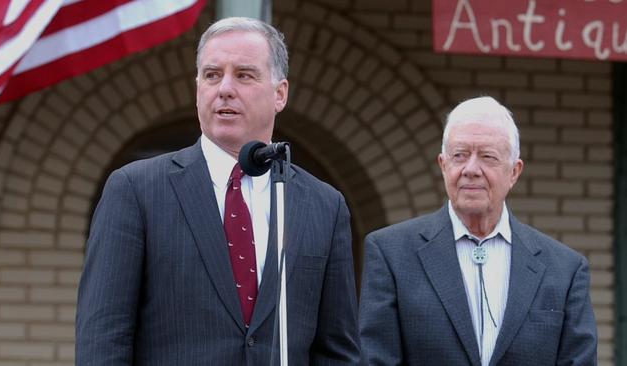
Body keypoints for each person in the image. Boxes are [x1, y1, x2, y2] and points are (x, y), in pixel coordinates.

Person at [76, 17, 360, 365]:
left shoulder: (323, 206)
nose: (224, 88)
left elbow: (337, 351)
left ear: (280, 94)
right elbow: (103, 339)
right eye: (212, 75)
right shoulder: (136, 190)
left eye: (244, 74)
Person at [359, 96, 597, 366]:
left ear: (514, 172)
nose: (471, 169)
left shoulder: (564, 270)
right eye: (459, 155)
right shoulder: (392, 254)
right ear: (443, 165)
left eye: (487, 157)